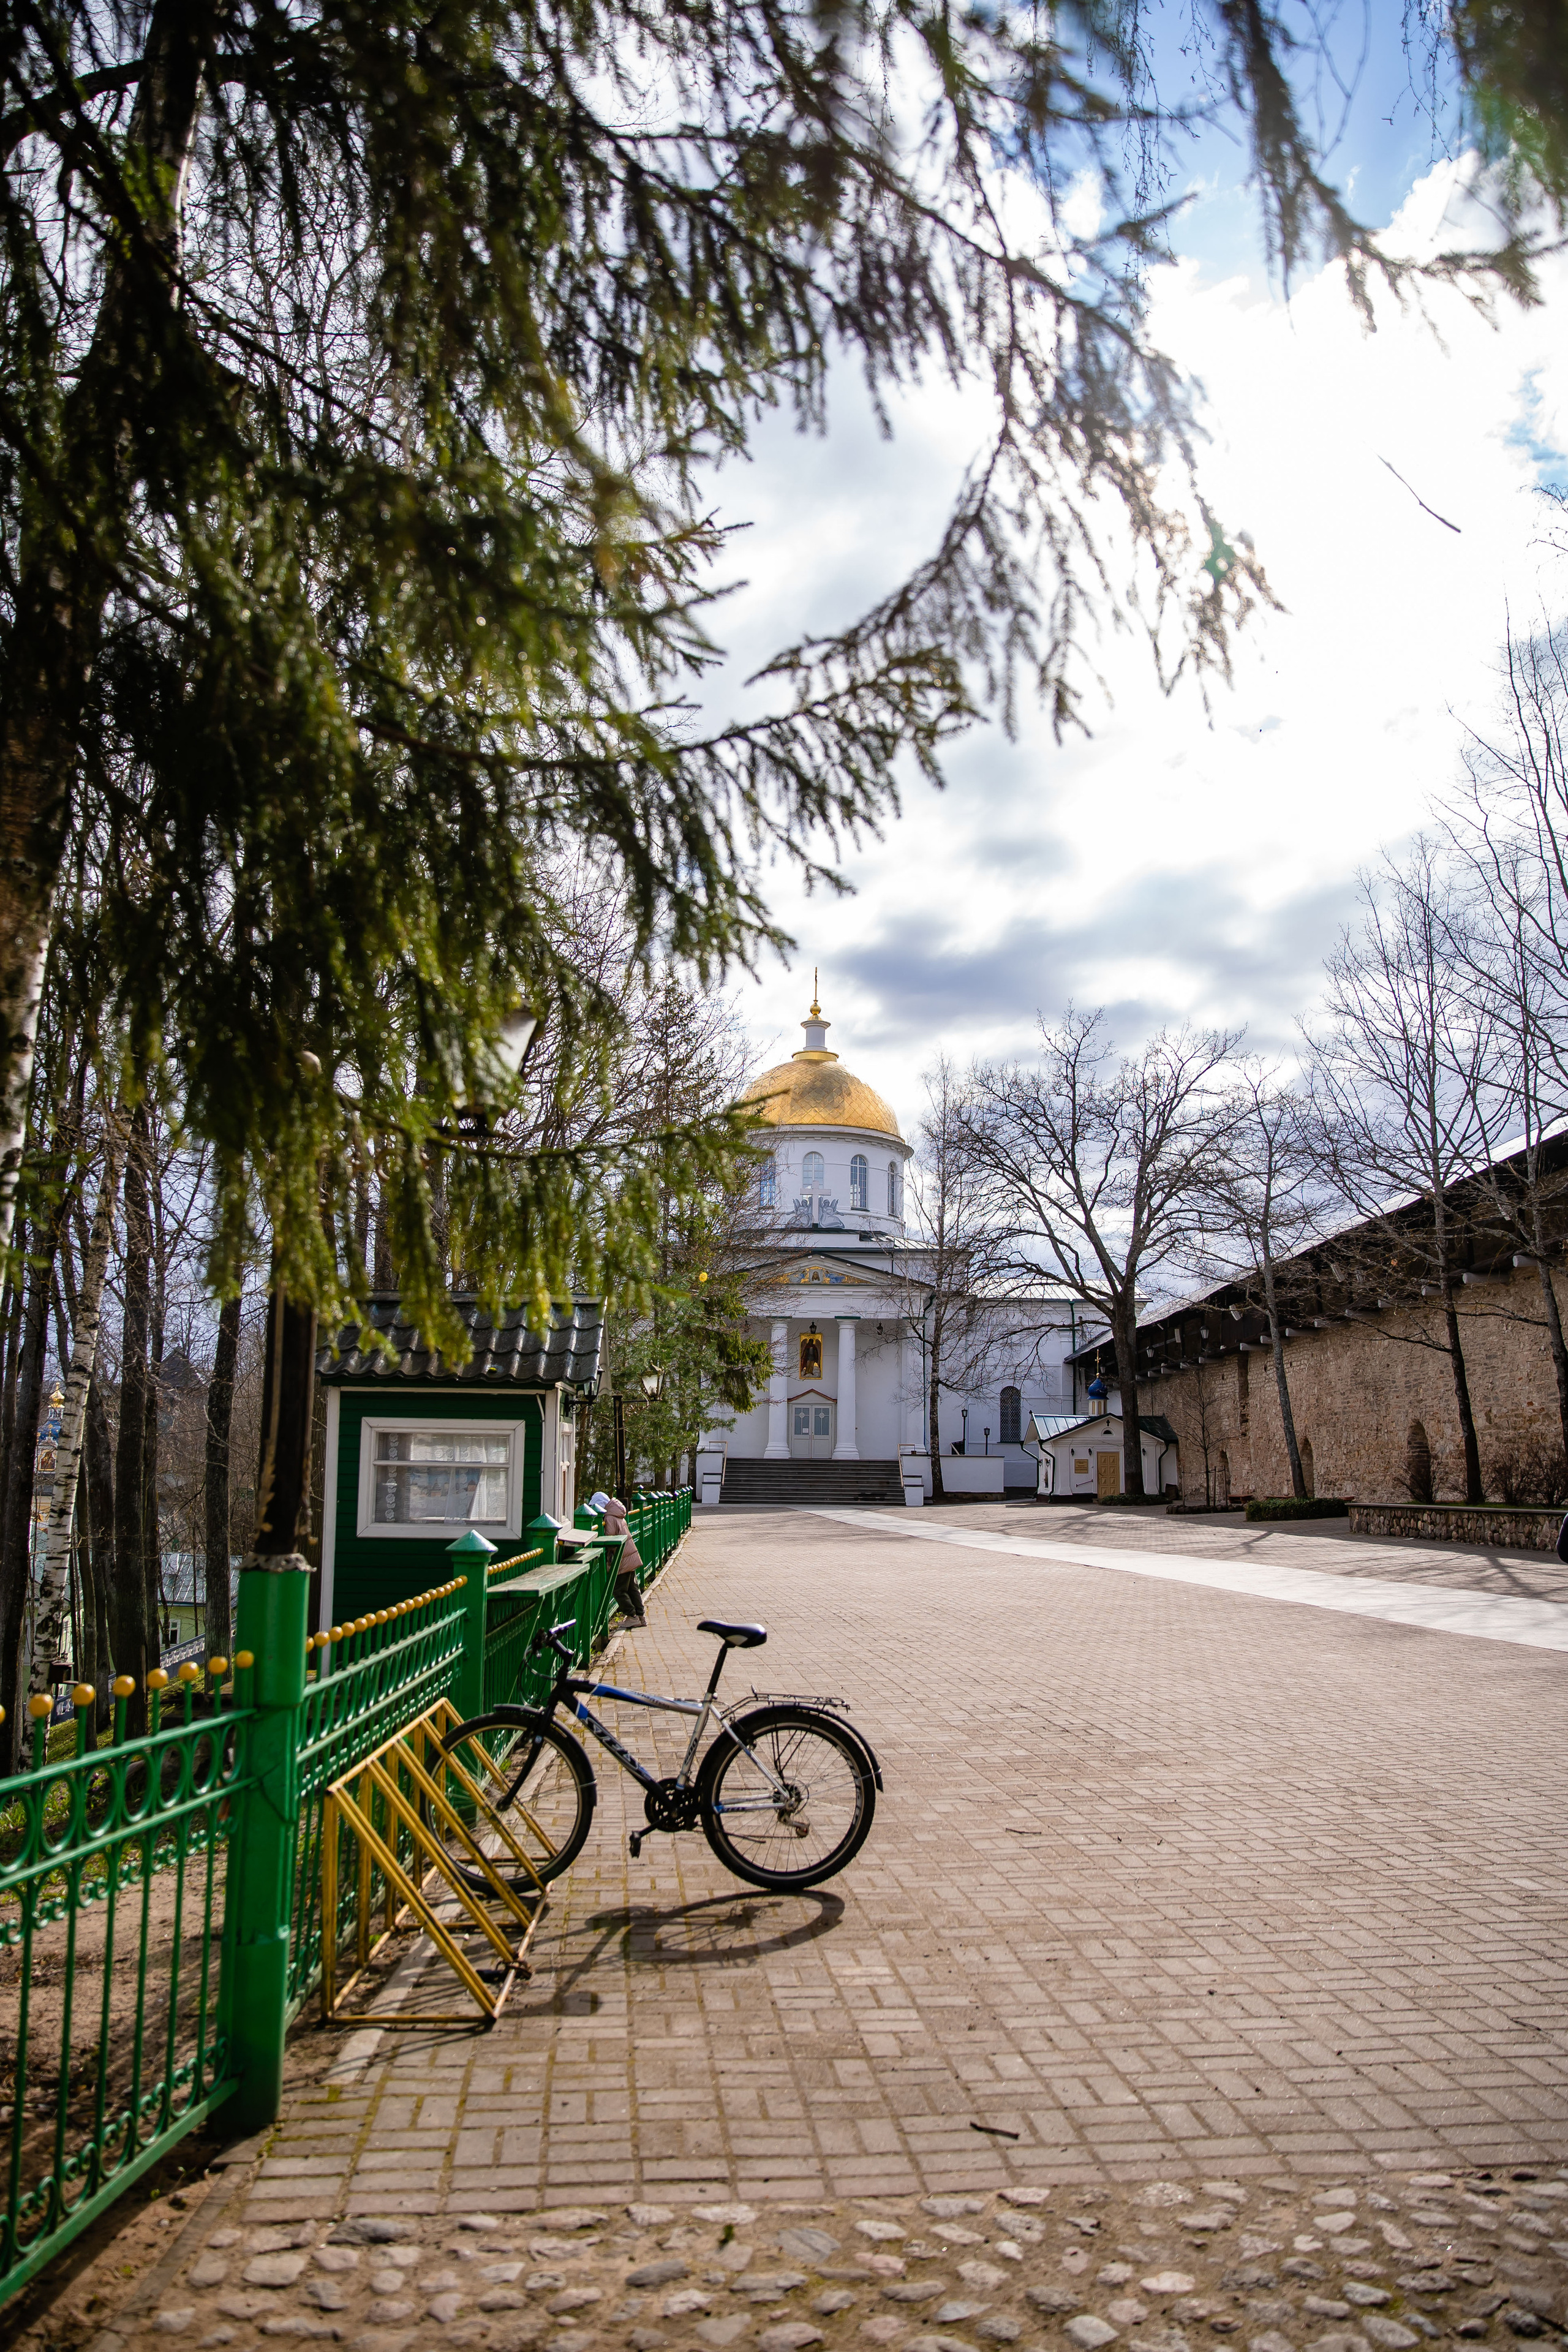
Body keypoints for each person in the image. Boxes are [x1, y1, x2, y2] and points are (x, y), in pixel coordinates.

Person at [590, 1490, 647, 1625]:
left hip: (621, 1559)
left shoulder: (609, 1517)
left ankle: (632, 1616)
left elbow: (609, 1538)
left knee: (617, 1590)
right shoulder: (618, 1513)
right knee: (633, 1588)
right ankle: (641, 1617)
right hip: (629, 1555)